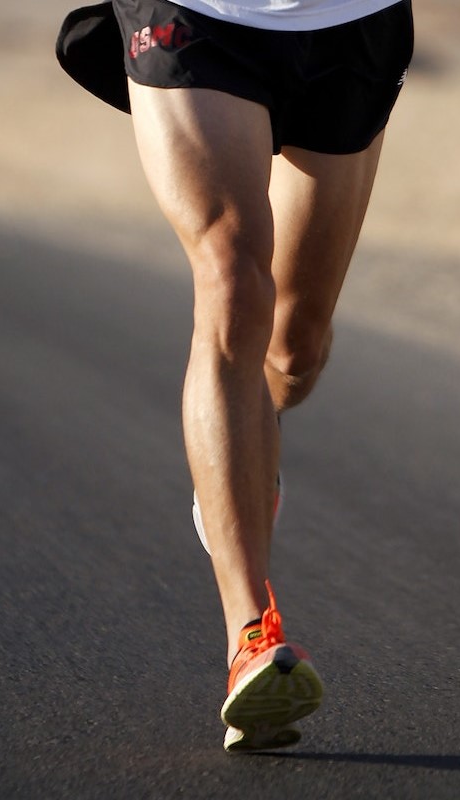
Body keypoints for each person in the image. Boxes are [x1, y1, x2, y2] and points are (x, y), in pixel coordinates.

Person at [58, 0, 413, 752]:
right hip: (196, 15)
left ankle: (252, 445)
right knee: (230, 273)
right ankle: (251, 632)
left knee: (293, 346)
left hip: (350, 21)